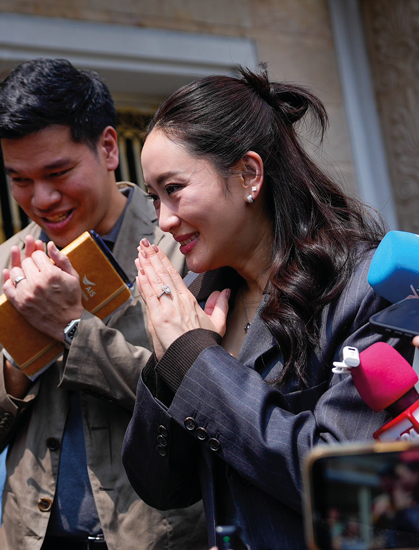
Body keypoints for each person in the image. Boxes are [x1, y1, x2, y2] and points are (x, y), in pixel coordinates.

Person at [121, 65, 410, 549]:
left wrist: (198, 362)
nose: (164, 220)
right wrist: (169, 359)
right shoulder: (203, 297)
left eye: (174, 189)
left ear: (249, 174)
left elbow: (351, 489)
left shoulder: (364, 286)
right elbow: (161, 487)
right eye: (154, 198)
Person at [0, 58, 206, 550]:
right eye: (19, 179)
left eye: (58, 171)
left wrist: (70, 328)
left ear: (107, 148)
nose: (42, 198)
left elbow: (206, 406)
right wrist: (22, 354)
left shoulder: (181, 247)